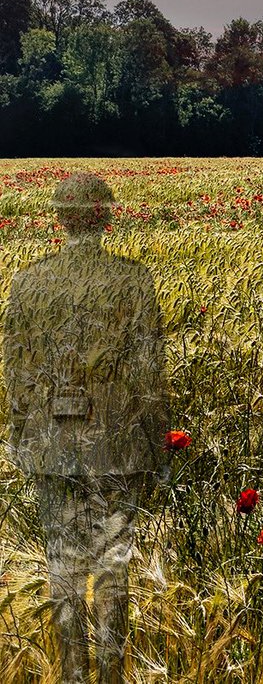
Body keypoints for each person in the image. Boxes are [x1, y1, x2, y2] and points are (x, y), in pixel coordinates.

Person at [3, 172, 168, 684]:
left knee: (62, 564)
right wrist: (158, 447)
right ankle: (111, 676)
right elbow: (149, 374)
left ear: (59, 216)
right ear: (107, 216)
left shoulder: (29, 282)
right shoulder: (134, 281)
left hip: (53, 444)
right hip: (118, 447)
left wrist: (18, 437)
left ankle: (72, 674)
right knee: (114, 565)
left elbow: (16, 371)